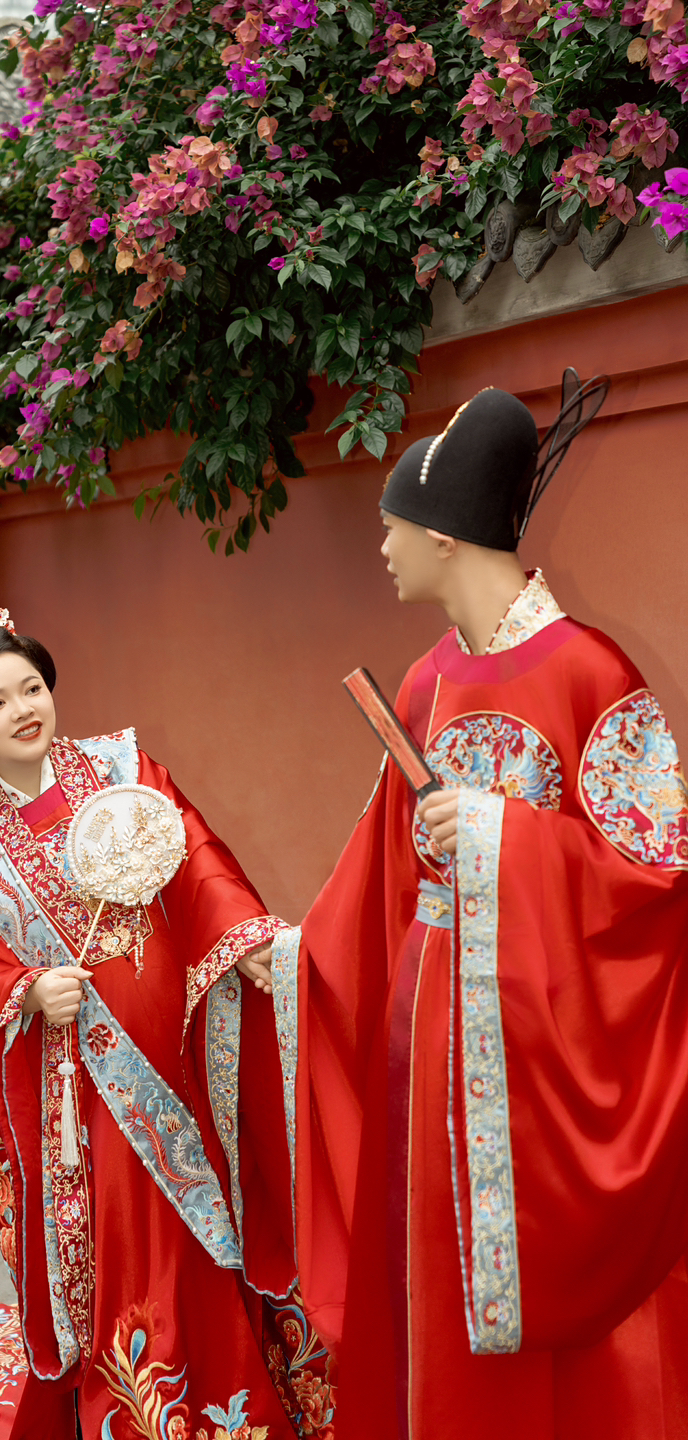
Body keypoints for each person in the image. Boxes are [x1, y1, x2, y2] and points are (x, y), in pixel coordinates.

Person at [266, 380, 688, 1439]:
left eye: (393, 527)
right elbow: (378, 875)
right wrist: (286, 958)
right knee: (431, 1256)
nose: (383, 549)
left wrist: (504, 837)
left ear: (445, 534)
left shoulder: (593, 671)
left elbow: (660, 868)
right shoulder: (424, 683)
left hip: (551, 1048)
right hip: (427, 1030)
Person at [0, 597, 335, 1440]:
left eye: (31, 688)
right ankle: (156, 1415)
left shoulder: (125, 770)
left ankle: (254, 1395)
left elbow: (197, 863)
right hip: (86, 1081)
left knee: (220, 1208)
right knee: (137, 1239)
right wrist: (24, 991)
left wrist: (240, 935)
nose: (24, 710)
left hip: (183, 1041)